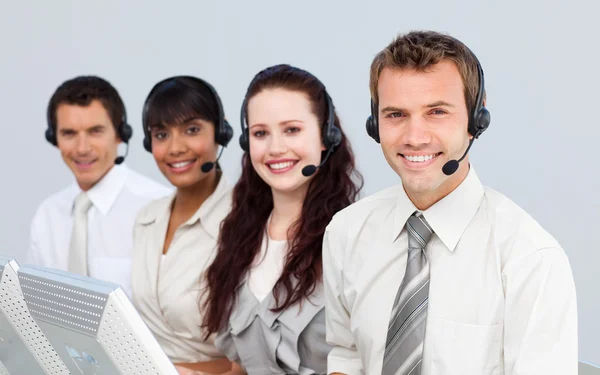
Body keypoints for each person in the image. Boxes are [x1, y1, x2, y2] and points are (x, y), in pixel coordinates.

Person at [323, 30, 578, 375]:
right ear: (374, 124)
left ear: (477, 121)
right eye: (396, 114)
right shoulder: (346, 232)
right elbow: (347, 355)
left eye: (437, 112)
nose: (415, 137)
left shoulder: (530, 260)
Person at [194, 64, 362, 375]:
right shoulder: (240, 237)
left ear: (326, 136)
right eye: (260, 133)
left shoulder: (354, 238)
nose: (275, 148)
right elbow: (241, 368)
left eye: (292, 130)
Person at [28, 76, 170, 297]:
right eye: (69, 133)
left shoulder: (159, 208)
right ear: (53, 138)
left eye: (95, 131)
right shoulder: (47, 215)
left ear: (120, 135)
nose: (82, 148)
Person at [131, 76, 234, 374]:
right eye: (161, 134)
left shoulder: (246, 221)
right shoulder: (146, 218)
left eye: (191, 130)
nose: (175, 148)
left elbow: (258, 357)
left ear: (221, 132)